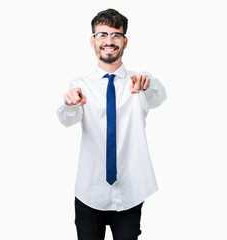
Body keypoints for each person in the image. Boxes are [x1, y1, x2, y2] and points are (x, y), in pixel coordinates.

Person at [57, 8, 167, 240]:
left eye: (116, 35)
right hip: (89, 192)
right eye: (102, 34)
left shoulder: (138, 82)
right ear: (93, 41)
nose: (109, 41)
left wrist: (148, 82)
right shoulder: (80, 85)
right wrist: (70, 104)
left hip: (130, 190)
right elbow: (67, 119)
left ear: (125, 41)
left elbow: (159, 96)